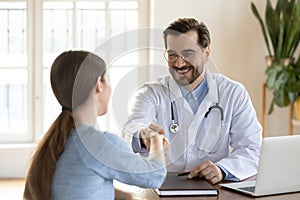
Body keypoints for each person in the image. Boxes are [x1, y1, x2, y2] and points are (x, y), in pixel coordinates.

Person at [122, 18, 262, 184]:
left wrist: (222, 170)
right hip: (161, 185)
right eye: (172, 55)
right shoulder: (151, 93)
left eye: (187, 54)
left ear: (206, 52)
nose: (179, 63)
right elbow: (131, 127)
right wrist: (143, 135)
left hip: (213, 187)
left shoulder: (233, 93)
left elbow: (252, 149)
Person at [23, 50, 167, 200]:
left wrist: (123, 196)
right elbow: (154, 176)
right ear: (99, 84)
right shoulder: (97, 143)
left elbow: (79, 184)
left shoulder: (63, 139)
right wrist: (155, 139)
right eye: (108, 79)